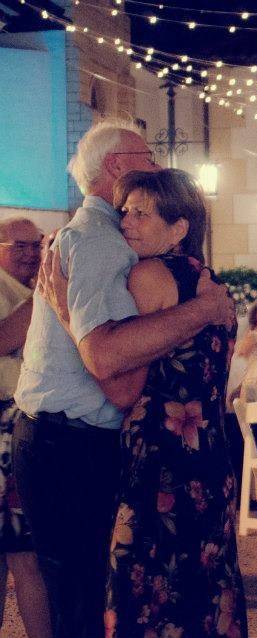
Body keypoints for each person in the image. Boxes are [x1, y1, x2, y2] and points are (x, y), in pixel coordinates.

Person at [12, 121, 234, 638]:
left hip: (87, 443)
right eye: (148, 155)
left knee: (96, 598)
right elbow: (117, 377)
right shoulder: (101, 244)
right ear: (116, 167)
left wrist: (66, 311)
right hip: (71, 445)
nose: (157, 164)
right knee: (88, 602)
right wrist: (203, 309)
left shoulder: (129, 252)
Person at [0, 217, 52, 638]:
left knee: (27, 553)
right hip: (5, 431)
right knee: (22, 553)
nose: (31, 254)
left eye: (36, 245)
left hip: (30, 428)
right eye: (19, 246)